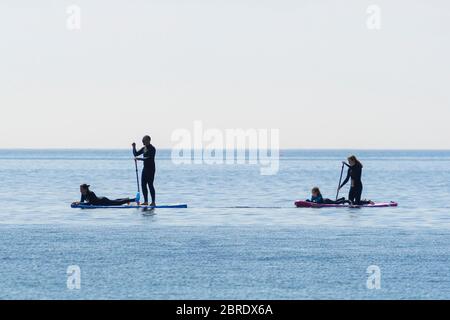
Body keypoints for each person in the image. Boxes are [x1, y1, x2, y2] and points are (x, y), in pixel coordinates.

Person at [132, 135, 156, 206]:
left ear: (148, 140)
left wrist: (139, 159)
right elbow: (135, 154)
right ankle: (146, 201)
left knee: (150, 185)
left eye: (144, 140)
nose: (142, 142)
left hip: (151, 169)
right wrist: (134, 147)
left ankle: (153, 202)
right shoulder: (144, 148)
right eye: (142, 140)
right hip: (145, 169)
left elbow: (149, 158)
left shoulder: (152, 148)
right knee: (143, 185)